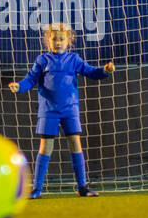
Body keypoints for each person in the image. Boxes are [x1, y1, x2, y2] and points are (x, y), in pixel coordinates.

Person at [9, 23, 114, 198]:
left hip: (70, 110)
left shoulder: (74, 60)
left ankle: (82, 187)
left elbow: (91, 72)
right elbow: (29, 80)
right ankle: (37, 189)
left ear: (68, 41)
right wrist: (19, 86)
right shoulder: (42, 61)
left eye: (61, 39)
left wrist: (104, 70)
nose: (58, 42)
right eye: (54, 39)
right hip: (48, 111)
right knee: (45, 147)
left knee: (75, 142)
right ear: (47, 41)